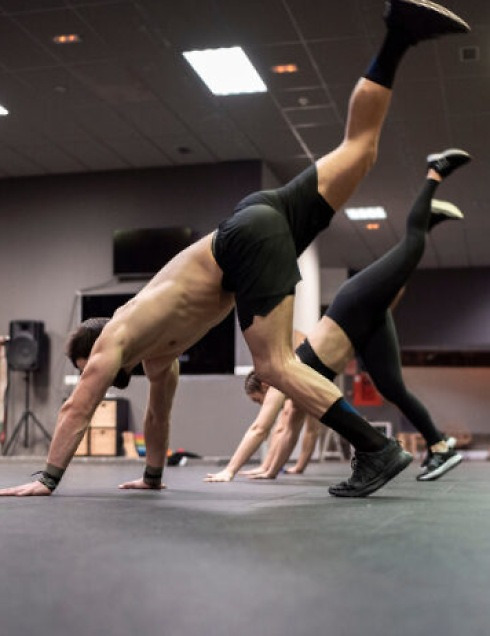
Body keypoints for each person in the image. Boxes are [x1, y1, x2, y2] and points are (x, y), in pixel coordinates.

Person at [0, 0, 470, 498]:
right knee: (360, 149)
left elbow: (77, 408)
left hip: (243, 240)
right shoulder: (159, 356)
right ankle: (399, 36)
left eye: (87, 369)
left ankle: (375, 449)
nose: (97, 379)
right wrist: (153, 475)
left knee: (275, 366)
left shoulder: (116, 335)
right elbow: (158, 415)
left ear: (92, 353)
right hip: (260, 218)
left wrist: (46, 478)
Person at [206, 148, 470, 487]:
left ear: (263, 385)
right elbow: (292, 430)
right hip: (363, 326)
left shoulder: (278, 374)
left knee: (411, 247)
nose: (263, 404)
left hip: (352, 307)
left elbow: (264, 428)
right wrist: (273, 470)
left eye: (259, 398)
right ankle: (439, 447)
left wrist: (230, 470)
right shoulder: (298, 393)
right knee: (392, 387)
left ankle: (434, 172)